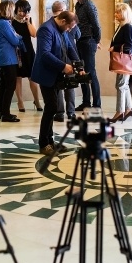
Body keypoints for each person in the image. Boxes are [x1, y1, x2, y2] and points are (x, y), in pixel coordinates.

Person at [32, 11, 80, 155]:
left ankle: (51, 142)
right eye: (69, 27)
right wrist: (64, 66)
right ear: (63, 21)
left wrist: (79, 65)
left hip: (56, 76)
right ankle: (43, 143)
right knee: (52, 107)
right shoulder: (46, 29)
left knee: (53, 107)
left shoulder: (61, 29)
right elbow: (45, 54)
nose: (69, 30)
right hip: (46, 74)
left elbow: (70, 47)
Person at [0, 1, 26, 122]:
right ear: (8, 10)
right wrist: (19, 36)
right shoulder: (4, 23)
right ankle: (6, 114)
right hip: (8, 57)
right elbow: (15, 41)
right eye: (13, 9)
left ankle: (2, 112)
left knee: (4, 85)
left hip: (2, 56)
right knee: (10, 85)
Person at [72, 0, 102, 110]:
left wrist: (96, 41)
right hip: (79, 41)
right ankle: (86, 102)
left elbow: (96, 25)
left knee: (91, 72)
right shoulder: (77, 6)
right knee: (81, 72)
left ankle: (96, 104)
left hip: (88, 41)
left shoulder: (89, 5)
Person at [11, 0, 42, 112]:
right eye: (19, 11)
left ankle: (37, 100)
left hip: (28, 51)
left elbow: (34, 34)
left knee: (32, 77)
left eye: (24, 11)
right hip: (16, 51)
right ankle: (20, 101)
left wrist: (28, 22)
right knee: (17, 77)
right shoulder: (11, 21)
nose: (21, 13)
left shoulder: (29, 20)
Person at [51, 0, 79, 122]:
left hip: (60, 58)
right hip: (64, 59)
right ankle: (71, 112)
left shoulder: (55, 23)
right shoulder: (63, 21)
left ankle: (60, 113)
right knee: (70, 86)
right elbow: (78, 35)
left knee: (59, 87)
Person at [109, 3, 132, 123]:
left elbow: (129, 45)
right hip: (123, 61)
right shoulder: (122, 25)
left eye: (118, 12)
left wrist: (114, 48)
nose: (115, 14)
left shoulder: (128, 27)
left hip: (125, 60)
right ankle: (128, 108)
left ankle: (120, 111)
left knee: (120, 85)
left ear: (124, 13)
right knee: (122, 85)